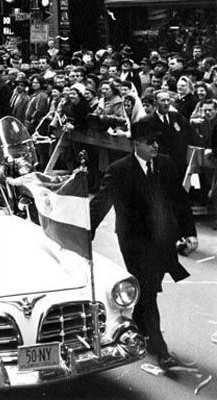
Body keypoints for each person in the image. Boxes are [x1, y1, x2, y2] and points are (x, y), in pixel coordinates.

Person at [90, 120, 198, 371]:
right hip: (134, 241)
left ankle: (136, 326)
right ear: (136, 143)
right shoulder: (119, 170)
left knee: (149, 287)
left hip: (162, 240)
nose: (155, 146)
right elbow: (101, 202)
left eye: (157, 141)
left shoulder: (165, 165)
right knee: (148, 290)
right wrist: (86, 230)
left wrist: (190, 233)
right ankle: (160, 349)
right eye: (150, 142)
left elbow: (180, 201)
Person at [142, 90, 193, 180]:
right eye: (162, 100)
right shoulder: (147, 121)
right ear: (155, 103)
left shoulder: (176, 117)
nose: (166, 103)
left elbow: (186, 135)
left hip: (178, 163)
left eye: (168, 100)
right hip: (159, 164)